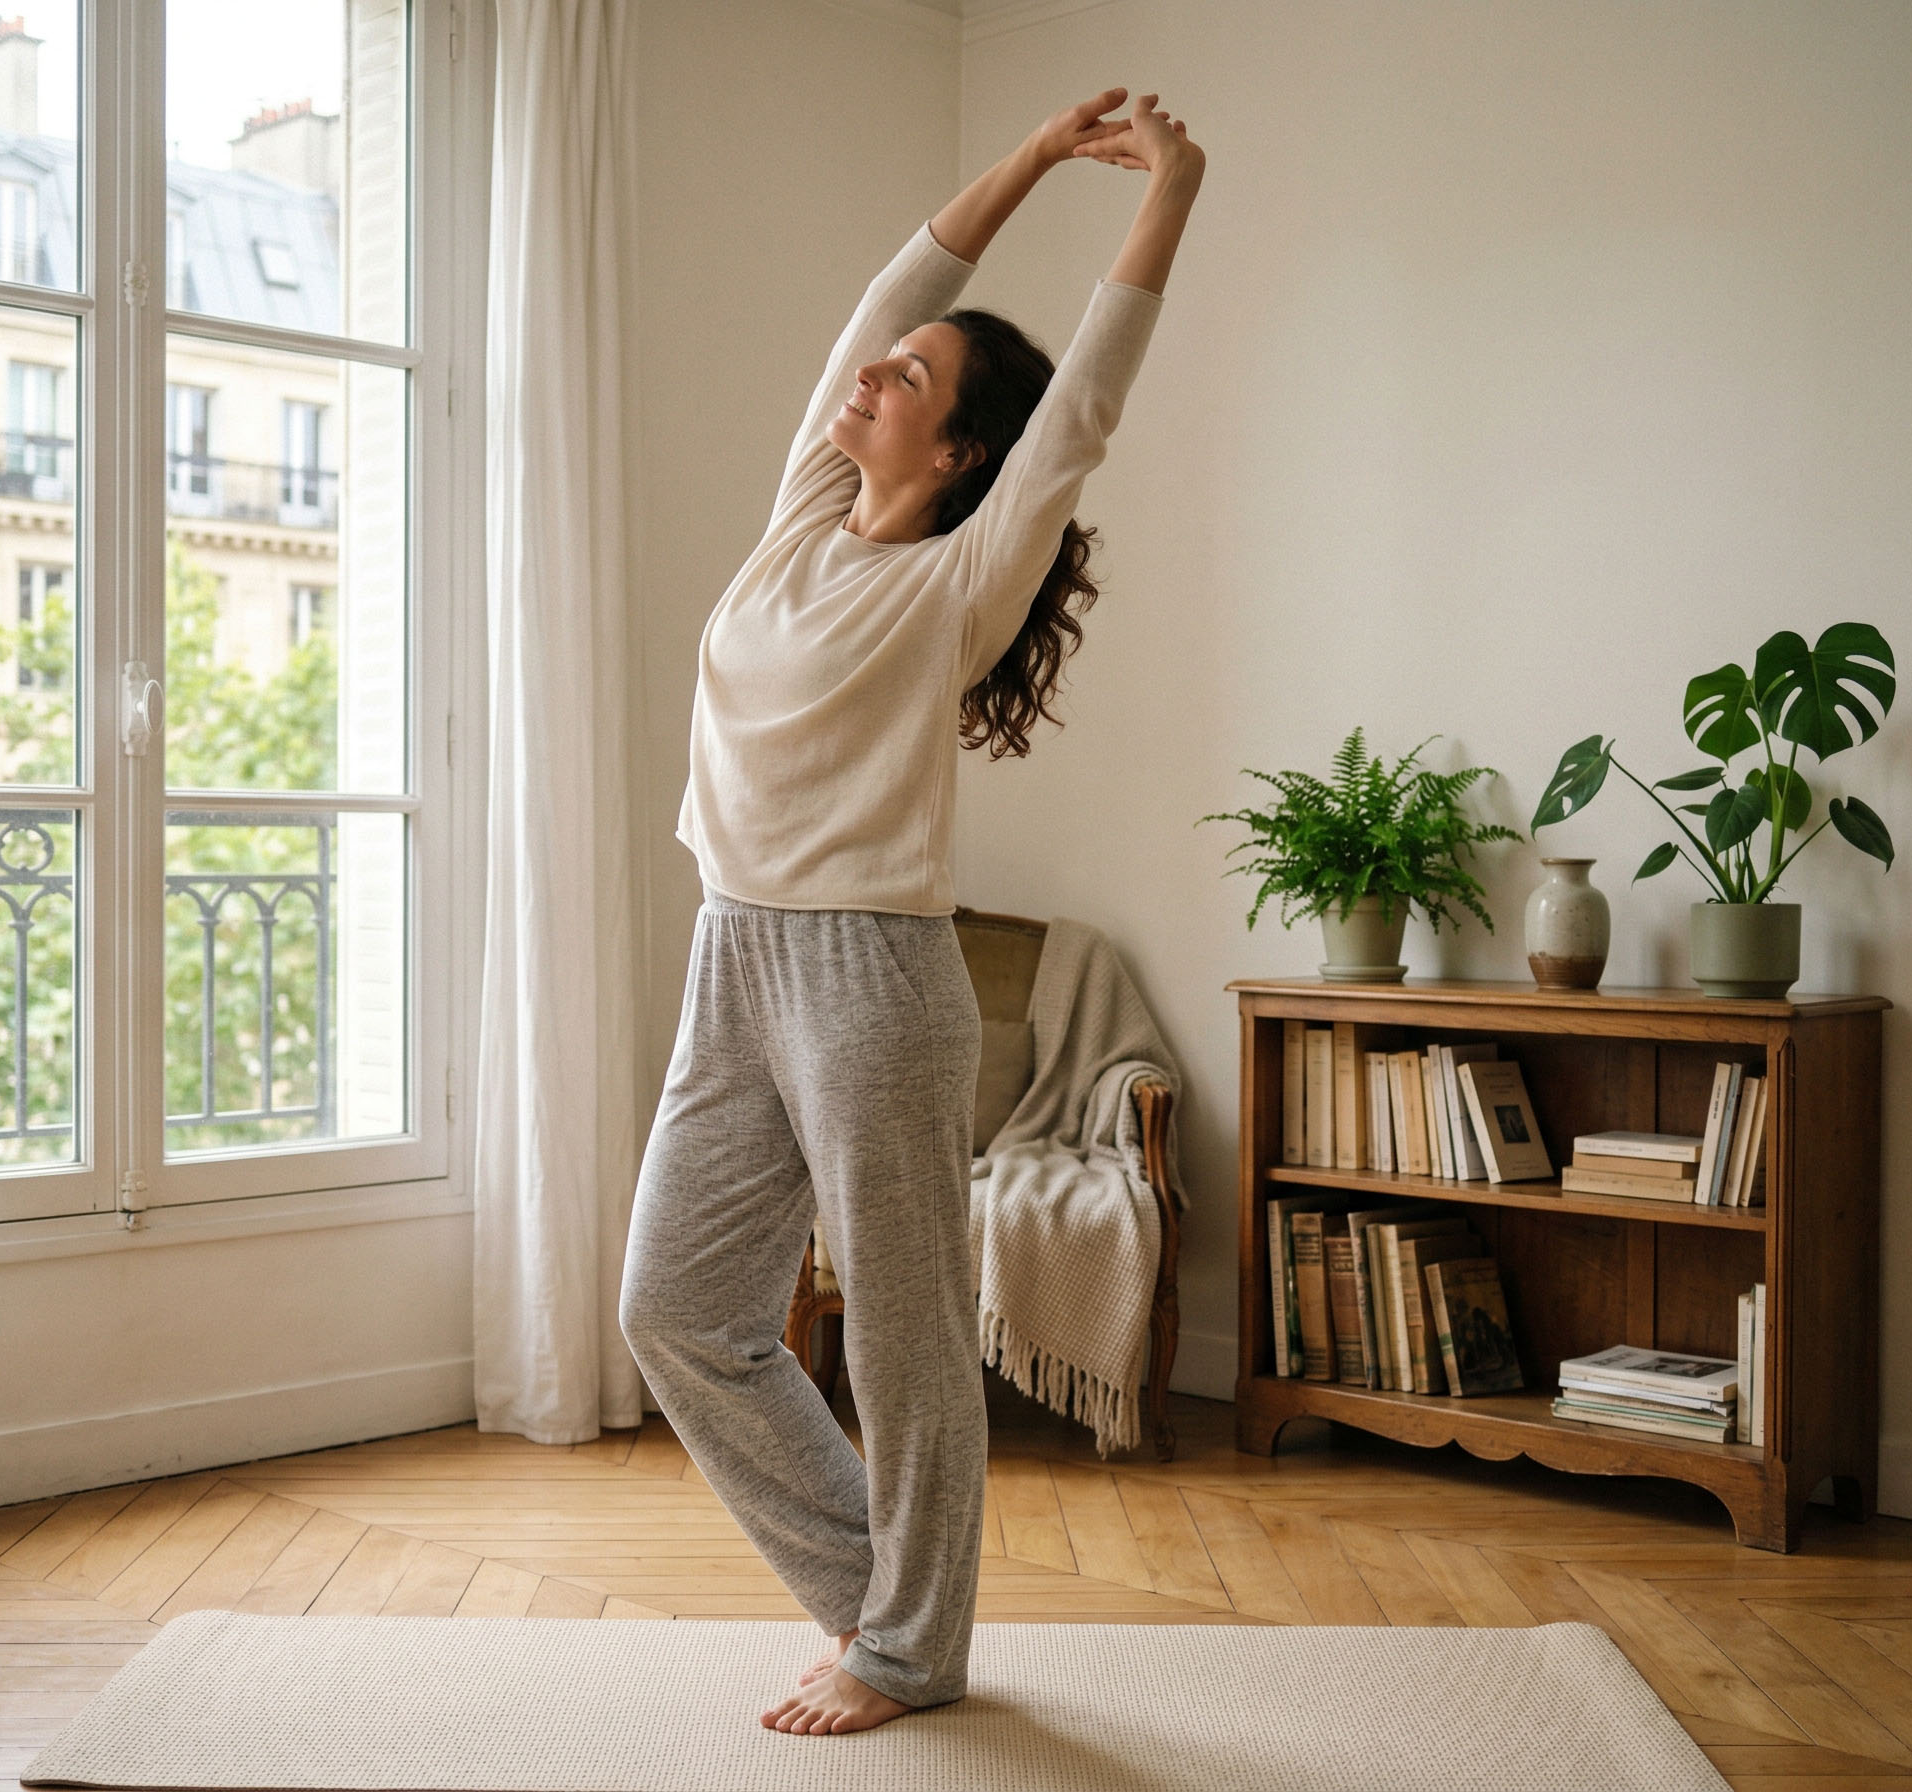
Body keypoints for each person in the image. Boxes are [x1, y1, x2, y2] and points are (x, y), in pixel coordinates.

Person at [617, 89, 1204, 1738]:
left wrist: (1171, 187)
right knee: (677, 1311)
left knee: (904, 1334)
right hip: (733, 953)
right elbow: (886, 305)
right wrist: (1031, 159)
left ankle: (908, 1649)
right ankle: (885, 1601)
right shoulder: (803, 519)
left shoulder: (959, 578)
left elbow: (1081, 406)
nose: (871, 377)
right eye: (881, 369)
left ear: (958, 456)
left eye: (913, 383)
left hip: (872, 978)